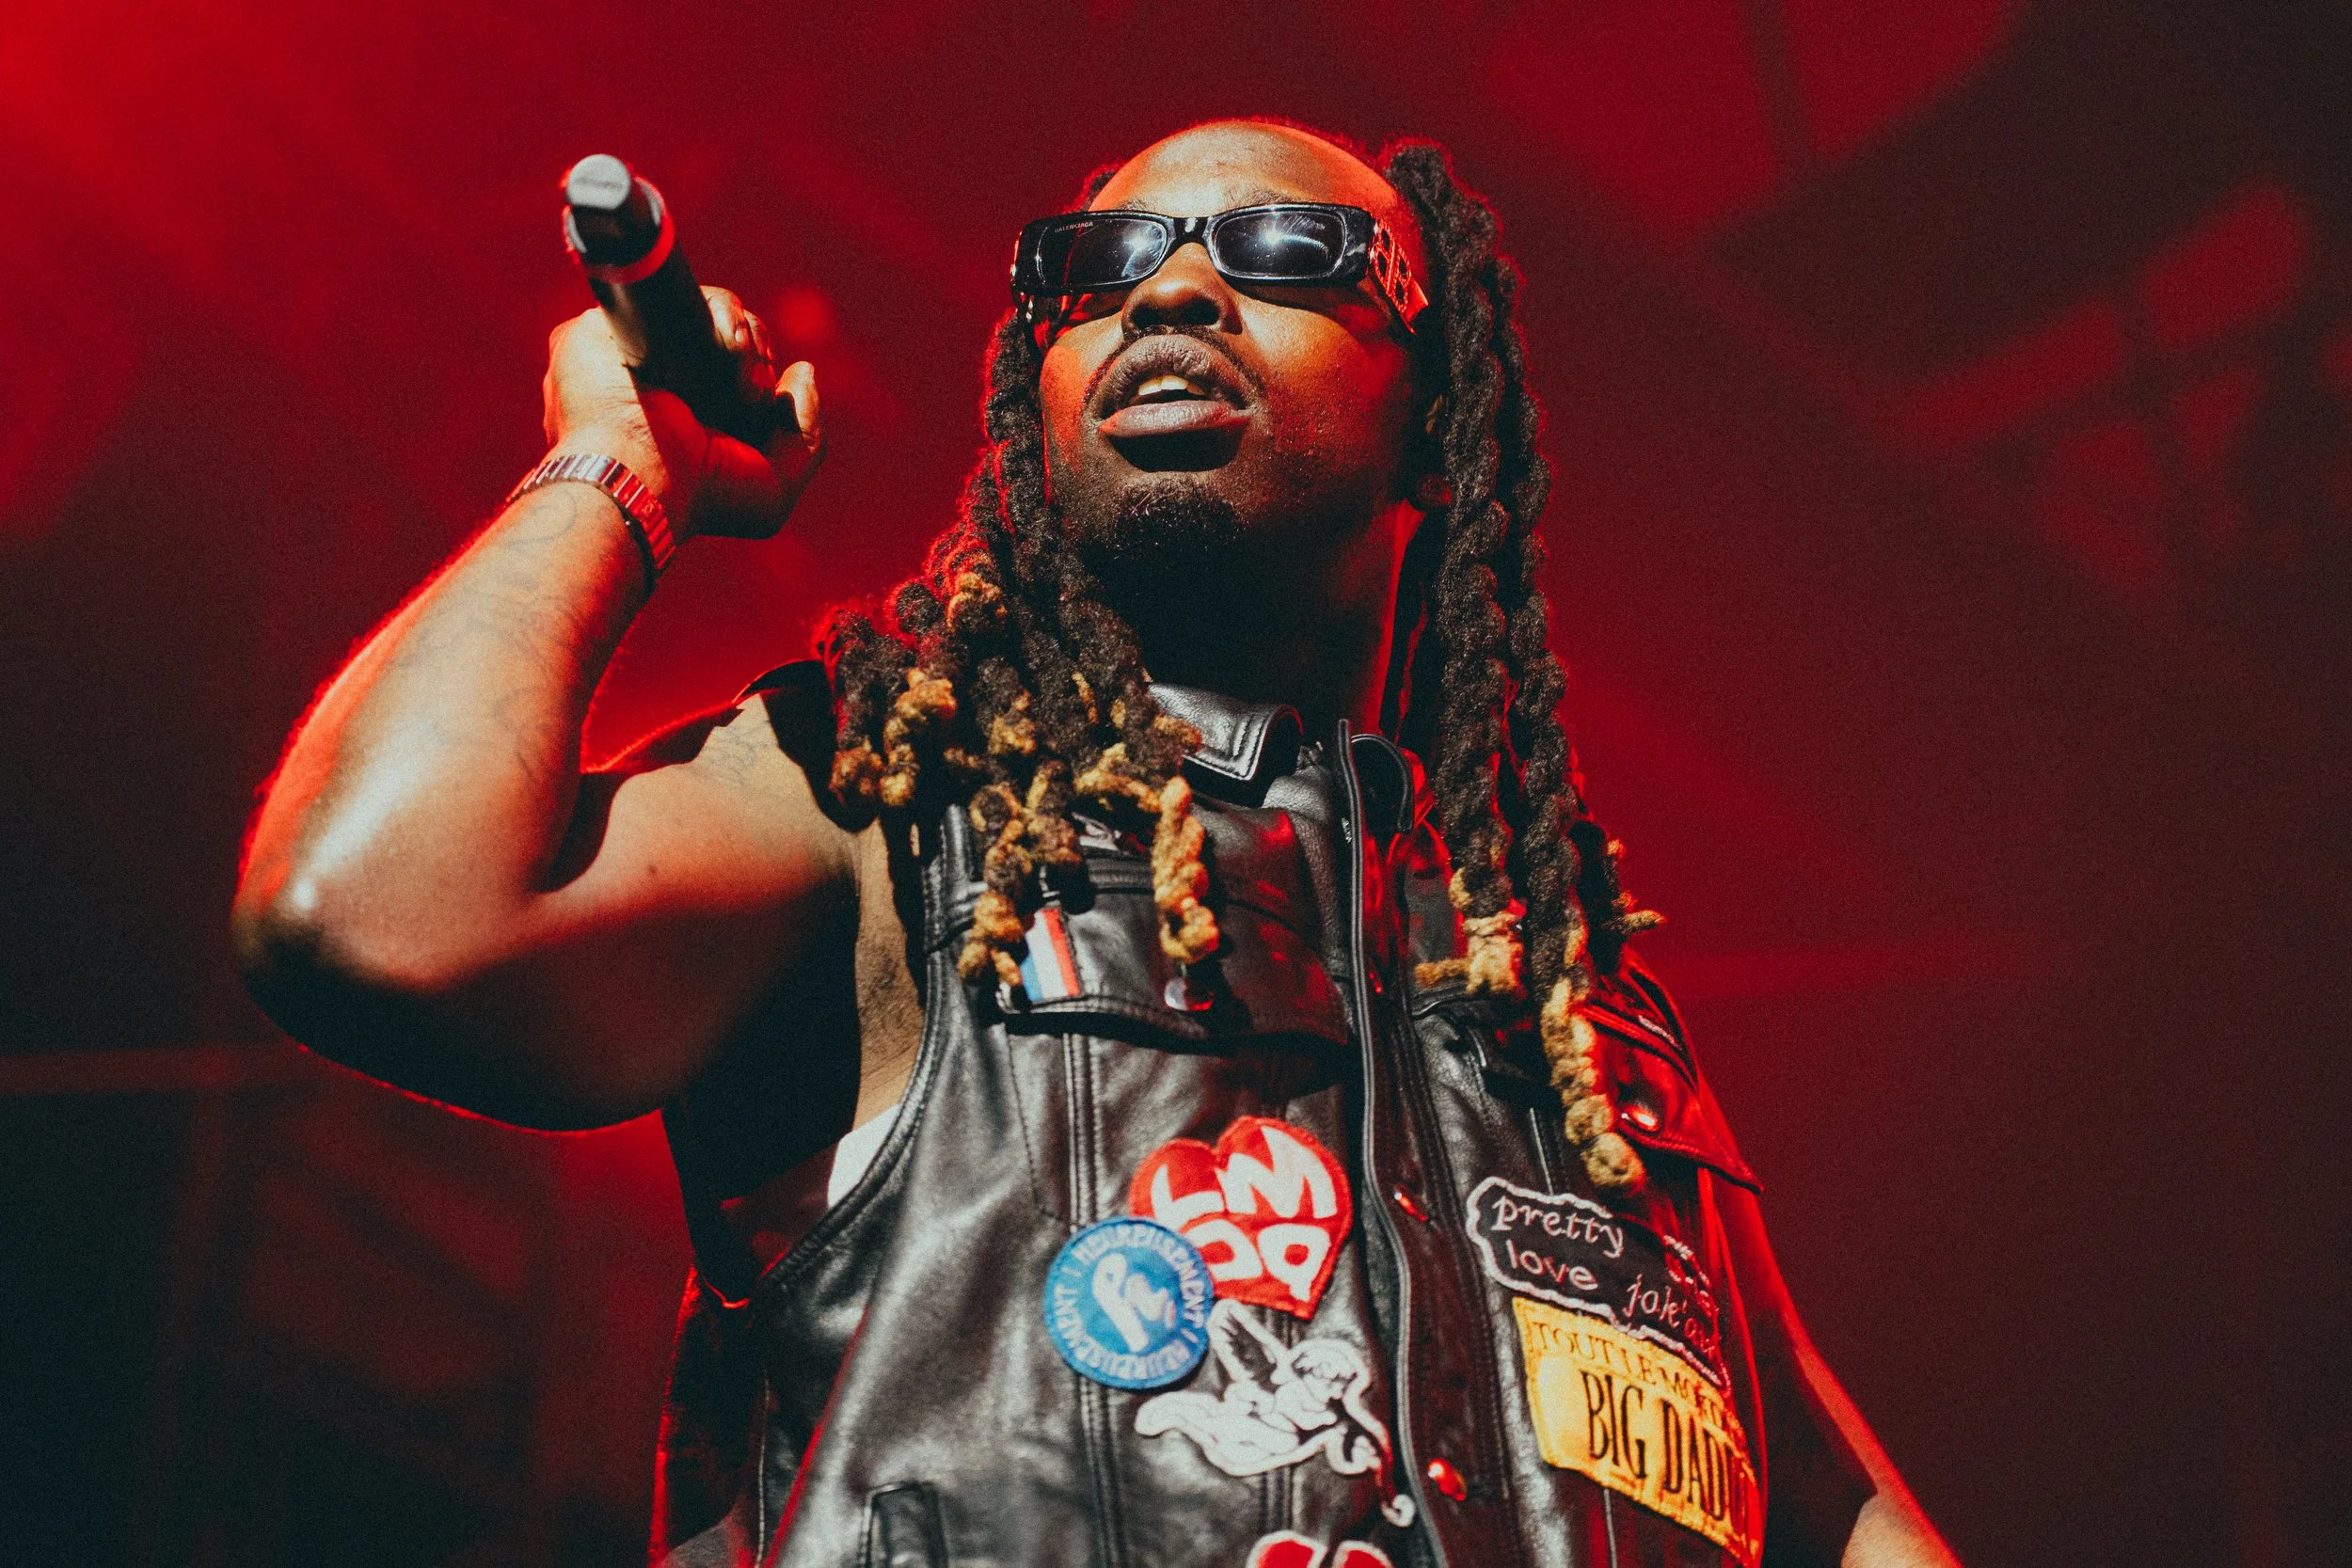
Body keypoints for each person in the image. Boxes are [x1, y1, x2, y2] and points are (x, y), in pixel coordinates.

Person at [233, 119, 1961, 1568]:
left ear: (1434, 413)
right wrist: (621, 468)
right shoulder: (877, 806)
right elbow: (367, 912)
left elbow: (1828, 1503)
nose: (1175, 285)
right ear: (1033, 378)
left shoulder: (1574, 1017)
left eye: (1284, 249)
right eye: (1096, 263)